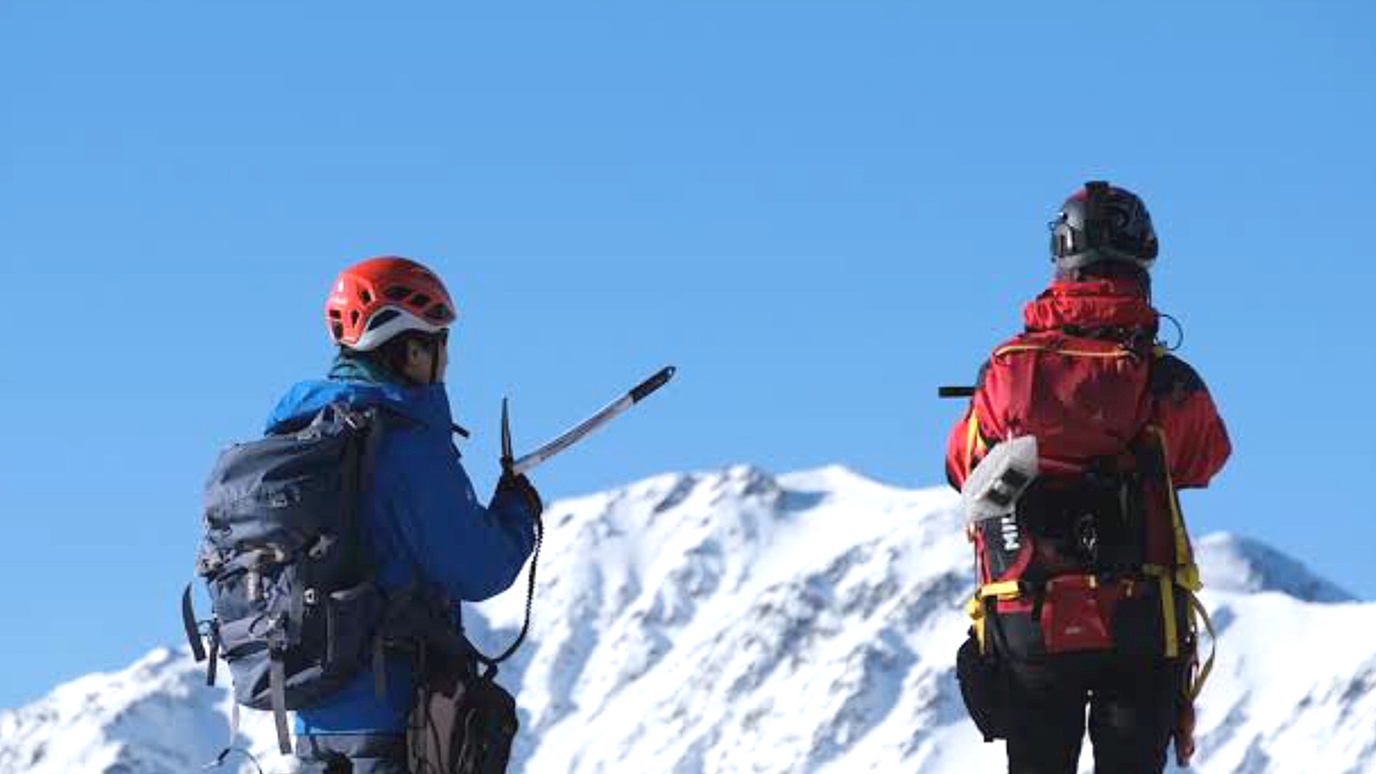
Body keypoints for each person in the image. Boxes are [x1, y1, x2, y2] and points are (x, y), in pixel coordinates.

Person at [946, 182, 1231, 773]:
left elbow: (960, 465)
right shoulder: (1165, 378)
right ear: (1143, 256)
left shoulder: (1003, 373)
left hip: (1030, 622)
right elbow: (1207, 457)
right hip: (1141, 624)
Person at [268, 256, 541, 773]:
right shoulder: (403, 444)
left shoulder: (296, 439)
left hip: (312, 726)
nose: (445, 360)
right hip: (394, 719)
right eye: (439, 341)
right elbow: (476, 566)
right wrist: (517, 513)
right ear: (410, 347)